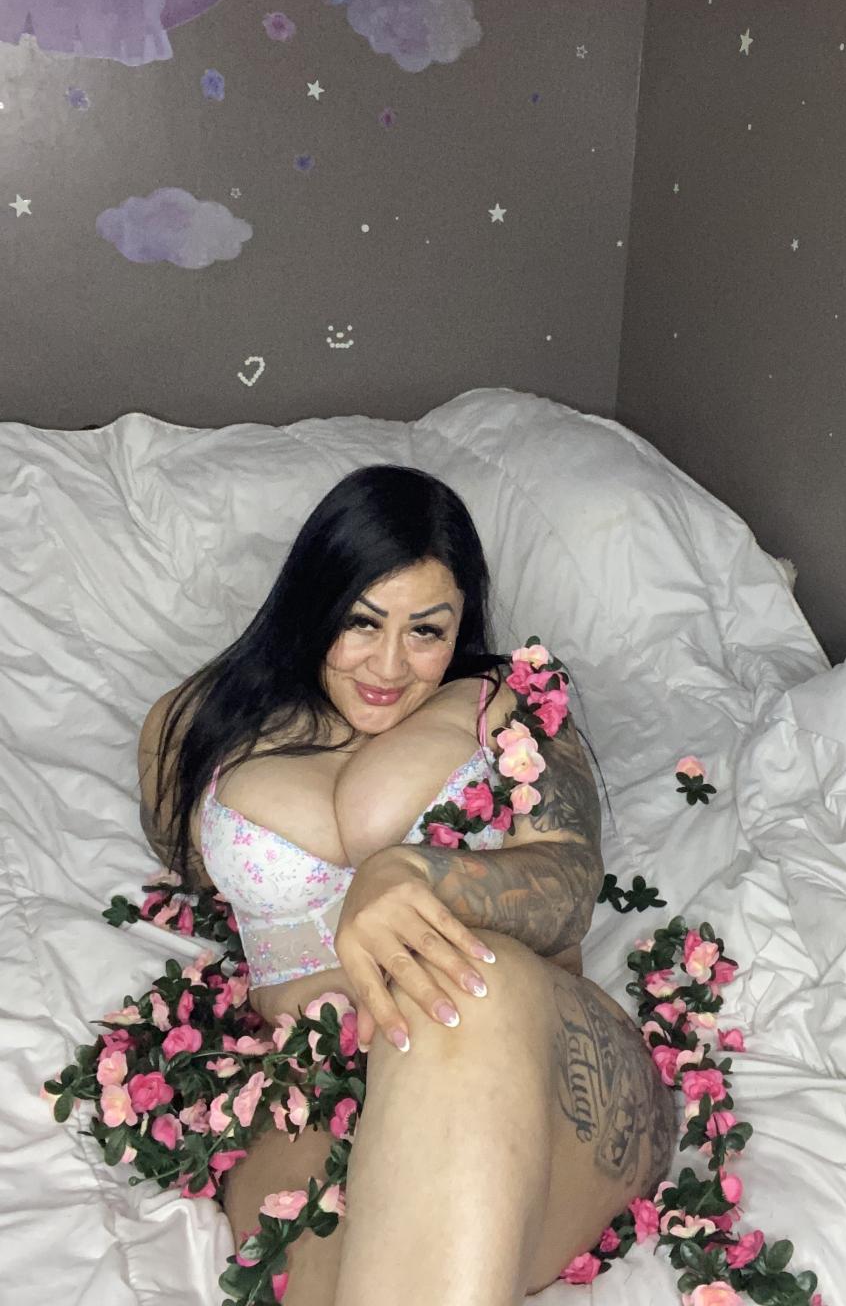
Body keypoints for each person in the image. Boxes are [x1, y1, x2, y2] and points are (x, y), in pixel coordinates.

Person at [137, 464, 678, 1306]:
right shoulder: (199, 722)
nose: (387, 665)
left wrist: (414, 871)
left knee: (459, 986)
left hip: (522, 1059)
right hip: (314, 1085)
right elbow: (193, 859)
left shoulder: (512, 704)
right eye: (360, 622)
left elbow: (569, 884)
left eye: (426, 631)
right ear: (312, 603)